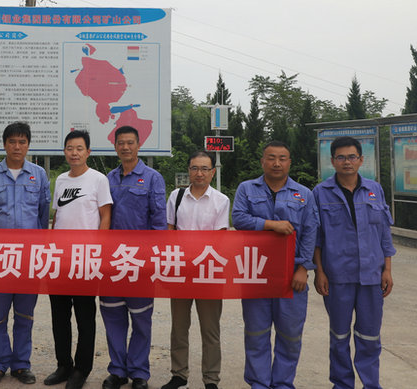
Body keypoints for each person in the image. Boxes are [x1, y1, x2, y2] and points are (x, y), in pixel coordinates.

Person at [232, 141, 318, 389]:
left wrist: (304, 268)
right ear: (262, 161)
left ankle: (282, 383)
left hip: (291, 275)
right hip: (255, 273)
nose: (276, 163)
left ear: (289, 162)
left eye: (282, 158)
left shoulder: (304, 194)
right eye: (271, 158)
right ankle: (259, 383)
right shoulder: (247, 189)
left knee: (290, 335)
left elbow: (310, 232)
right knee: (256, 333)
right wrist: (270, 225)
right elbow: (238, 218)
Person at [312, 136, 395, 389]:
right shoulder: (320, 193)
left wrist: (388, 269)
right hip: (337, 276)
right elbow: (316, 238)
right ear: (332, 161)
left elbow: (384, 232)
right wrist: (319, 272)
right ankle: (342, 384)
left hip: (371, 275)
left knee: (370, 336)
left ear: (361, 160)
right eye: (341, 157)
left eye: (351, 157)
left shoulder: (374, 189)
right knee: (339, 336)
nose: (346, 162)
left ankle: (371, 384)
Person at [0, 122, 51, 385]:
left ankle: (21, 365)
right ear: (4, 144)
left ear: (28, 145)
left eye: (22, 142)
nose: (17, 147)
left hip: (29, 259)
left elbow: (43, 217)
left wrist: (39, 251)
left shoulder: (39, 175)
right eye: (12, 142)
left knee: (25, 314)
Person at [44, 130, 112, 389]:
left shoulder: (98, 179)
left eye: (79, 148)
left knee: (84, 316)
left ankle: (81, 369)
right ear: (65, 151)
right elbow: (57, 216)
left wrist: (99, 252)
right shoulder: (61, 180)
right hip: (60, 258)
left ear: (88, 152)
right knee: (59, 315)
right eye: (70, 148)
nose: (74, 153)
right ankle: (64, 365)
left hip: (86, 259)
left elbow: (105, 217)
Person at [101, 125, 166, 389]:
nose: (125, 147)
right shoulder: (107, 178)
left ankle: (139, 372)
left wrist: (152, 260)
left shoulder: (152, 178)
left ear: (139, 145)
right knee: (113, 317)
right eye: (121, 143)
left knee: (141, 319)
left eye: (130, 142)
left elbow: (159, 222)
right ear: (115, 146)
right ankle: (118, 370)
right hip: (112, 262)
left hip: (140, 262)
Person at [161, 152, 229, 389]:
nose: (199, 173)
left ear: (213, 172)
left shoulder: (221, 200)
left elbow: (220, 239)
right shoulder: (176, 196)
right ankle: (179, 375)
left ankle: (211, 379)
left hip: (208, 273)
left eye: (204, 169)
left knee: (210, 330)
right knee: (179, 328)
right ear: (188, 170)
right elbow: (169, 231)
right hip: (180, 271)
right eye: (195, 168)